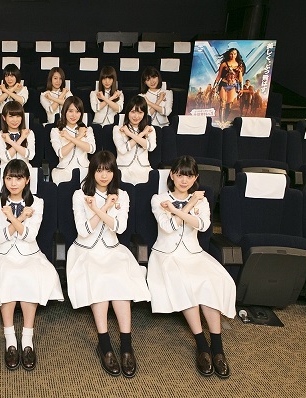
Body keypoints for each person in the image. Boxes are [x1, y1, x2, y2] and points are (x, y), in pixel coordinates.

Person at [147, 155, 236, 379]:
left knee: (212, 281)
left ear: (195, 178)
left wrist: (178, 209)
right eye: (179, 175)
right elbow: (168, 227)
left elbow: (203, 225)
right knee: (185, 282)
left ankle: (218, 347)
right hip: (166, 255)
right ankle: (201, 344)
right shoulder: (159, 199)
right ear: (172, 175)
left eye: (189, 176)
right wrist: (188, 206)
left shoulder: (202, 201)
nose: (184, 180)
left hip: (193, 253)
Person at [66, 151, 151, 377]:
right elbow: (84, 230)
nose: (104, 175)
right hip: (86, 251)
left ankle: (126, 345)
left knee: (121, 281)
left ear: (114, 172)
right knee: (100, 280)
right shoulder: (80, 195)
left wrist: (100, 209)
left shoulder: (122, 195)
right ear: (92, 172)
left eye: (108, 170)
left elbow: (120, 228)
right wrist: (101, 209)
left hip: (113, 249)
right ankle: (104, 344)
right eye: (99, 170)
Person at [0, 159, 63, 371]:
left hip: (29, 252)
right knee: (5, 275)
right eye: (9, 178)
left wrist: (16, 218)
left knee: (30, 275)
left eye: (18, 178)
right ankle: (10, 340)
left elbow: (29, 236)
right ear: (4, 180)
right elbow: (0, 237)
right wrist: (21, 218)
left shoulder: (37, 202)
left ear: (27, 180)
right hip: (3, 253)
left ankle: (27, 339)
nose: (13, 183)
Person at [50, 96, 96, 184]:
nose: (74, 115)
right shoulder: (56, 131)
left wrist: (70, 138)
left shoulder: (87, 130)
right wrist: (79, 137)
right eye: (70, 111)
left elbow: (91, 149)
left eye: (77, 111)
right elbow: (61, 153)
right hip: (64, 170)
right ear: (64, 111)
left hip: (85, 169)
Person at [113, 96, 156, 184]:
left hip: (144, 170)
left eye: (140, 112)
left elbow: (151, 147)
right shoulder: (118, 129)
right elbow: (123, 149)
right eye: (133, 112)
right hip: (124, 170)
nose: (136, 116)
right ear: (127, 112)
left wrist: (130, 134)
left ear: (144, 114)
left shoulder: (149, 129)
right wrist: (142, 134)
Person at [0, 101, 35, 171]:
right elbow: (5, 158)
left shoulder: (28, 133)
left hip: (25, 170)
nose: (15, 120)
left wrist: (11, 141)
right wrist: (21, 138)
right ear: (4, 117)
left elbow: (30, 156)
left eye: (18, 116)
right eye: (11, 116)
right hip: (5, 170)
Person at [214, 48, 246, 126]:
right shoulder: (224, 64)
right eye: (231, 54)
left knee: (229, 105)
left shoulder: (239, 65)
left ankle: (225, 120)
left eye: (234, 54)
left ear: (237, 55)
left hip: (233, 86)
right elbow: (219, 76)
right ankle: (221, 122)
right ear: (229, 54)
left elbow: (240, 78)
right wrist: (214, 86)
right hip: (223, 84)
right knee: (222, 103)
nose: (233, 55)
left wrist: (241, 89)